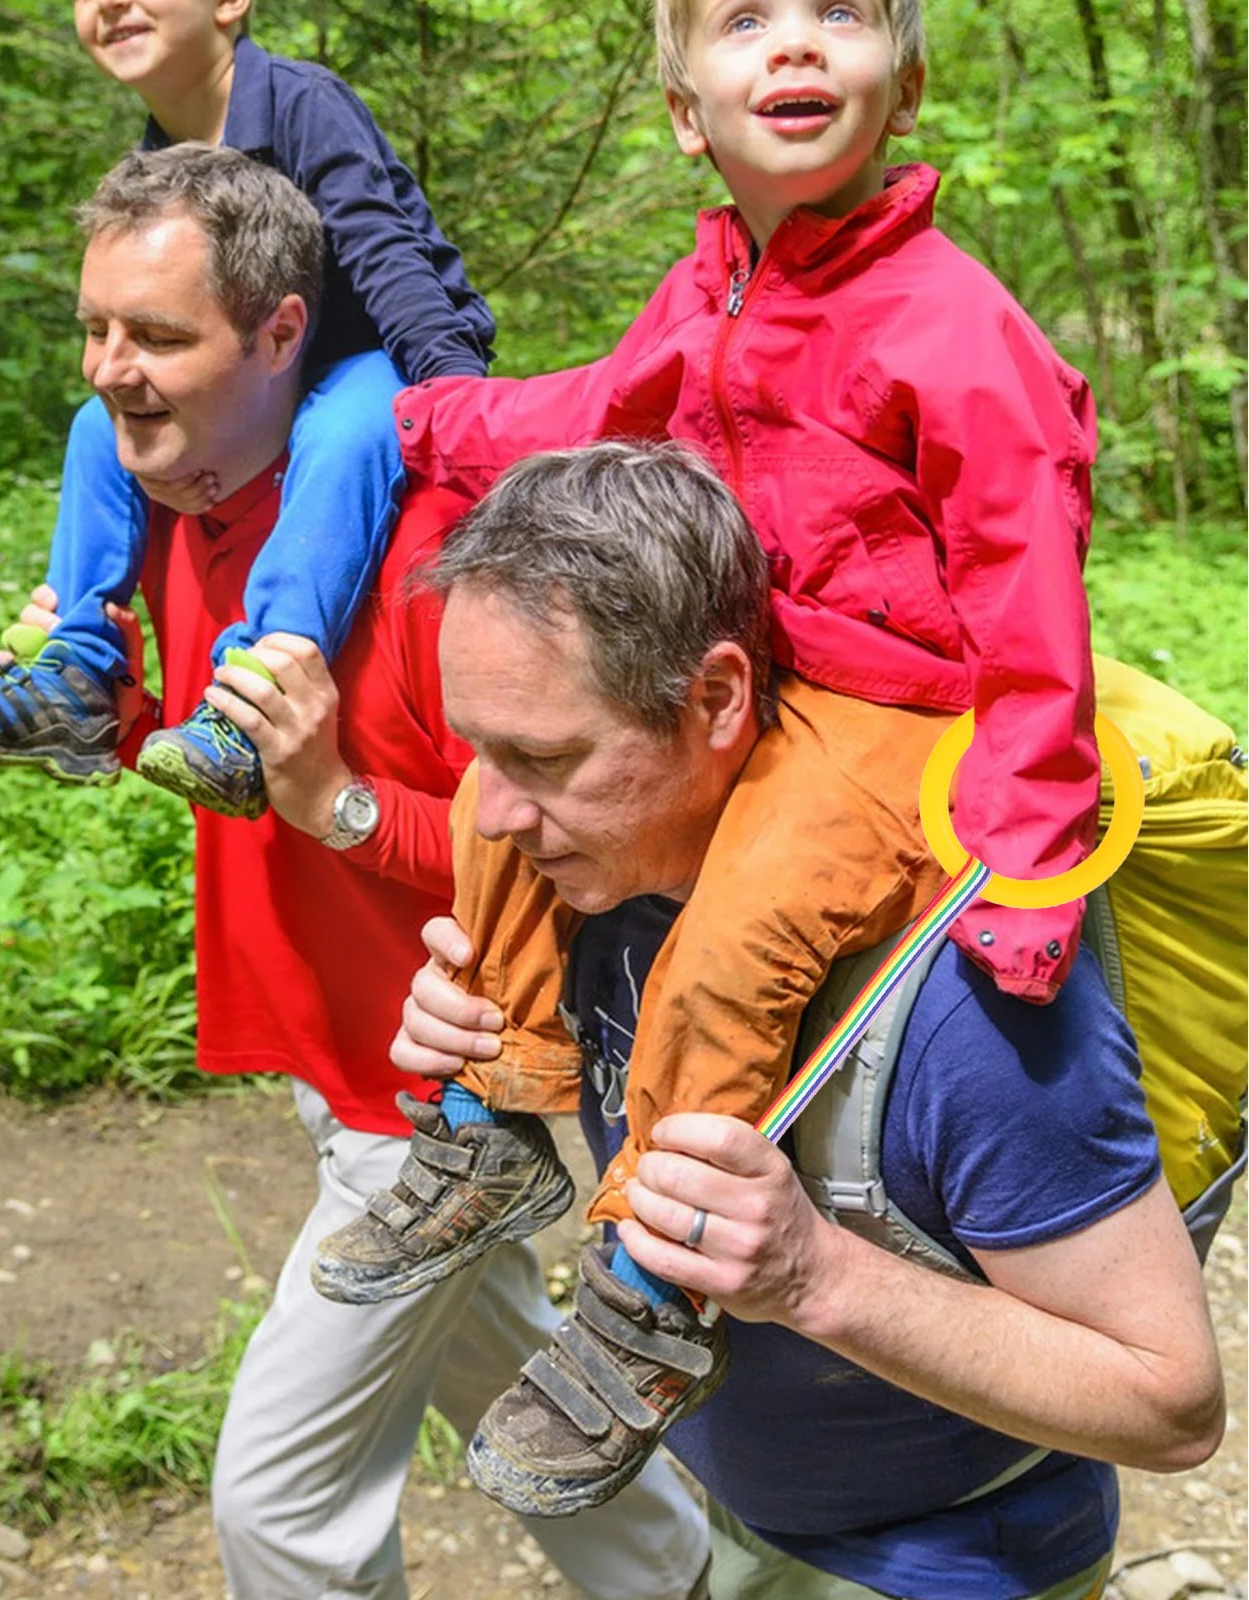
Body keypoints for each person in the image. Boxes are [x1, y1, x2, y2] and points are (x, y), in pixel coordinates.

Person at [313, 0, 1105, 1486]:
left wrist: (1030, 859)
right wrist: (429, 426)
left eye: (841, 17)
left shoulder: (951, 323)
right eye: (746, 20)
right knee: (513, 788)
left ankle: (651, 1290)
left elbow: (1031, 599)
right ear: (689, 110)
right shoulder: (709, 290)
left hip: (892, 710)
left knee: (738, 934)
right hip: (742, 657)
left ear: (907, 82)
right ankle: (503, 1107)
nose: (795, 47)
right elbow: (603, 414)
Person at [0, 144, 710, 1600]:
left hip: (435, 1106)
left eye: (159, 336)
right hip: (339, 1073)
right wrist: (126, 713)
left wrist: (340, 804)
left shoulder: (432, 559)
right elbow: (236, 779)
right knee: (517, 1402)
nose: (114, 370)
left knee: (279, 1505)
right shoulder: (184, 521)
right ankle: (698, 1582)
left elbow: (582, 861)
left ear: (278, 334)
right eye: (96, 328)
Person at [387, 443, 1224, 1598]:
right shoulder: (602, 876)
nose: (497, 811)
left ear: (719, 699)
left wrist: (812, 1274)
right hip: (750, 1527)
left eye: (545, 756)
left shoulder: (967, 1008)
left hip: (948, 1561)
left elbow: (1169, 1399)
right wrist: (482, 1045)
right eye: (478, 751)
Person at [0, 0, 495, 820]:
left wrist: (461, 405)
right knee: (89, 426)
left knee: (347, 428)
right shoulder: (159, 158)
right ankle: (77, 667)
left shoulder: (301, 102)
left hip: (378, 358)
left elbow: (386, 255)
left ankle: (258, 691)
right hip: (277, 374)